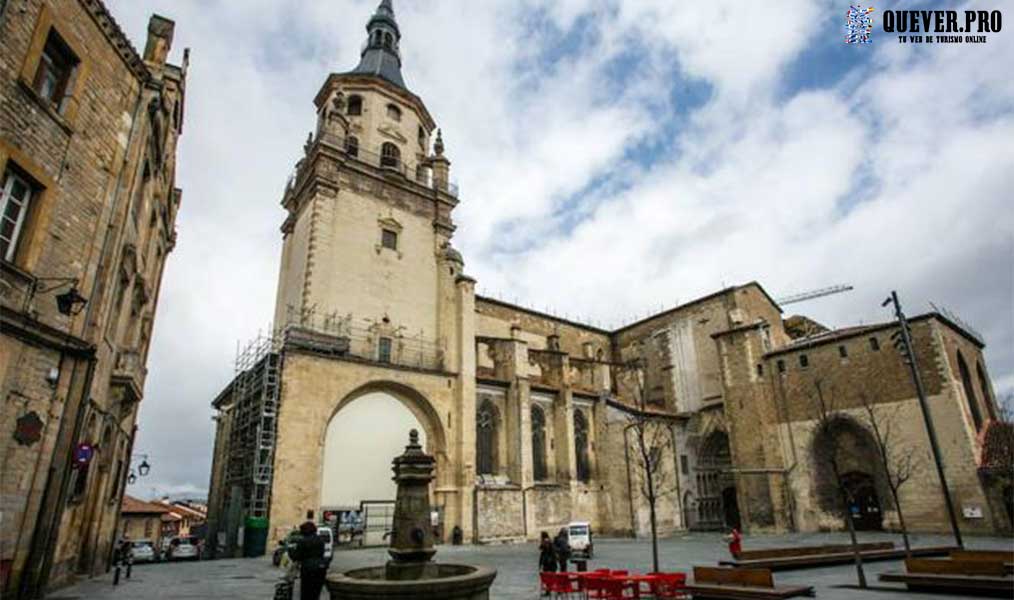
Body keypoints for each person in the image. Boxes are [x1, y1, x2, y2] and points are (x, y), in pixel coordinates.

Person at [288, 521, 328, 600]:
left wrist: (290, 550)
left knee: (306, 592)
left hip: (308, 568)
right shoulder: (320, 540)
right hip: (321, 568)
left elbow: (297, 556)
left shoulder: (303, 541)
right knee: (316, 591)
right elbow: (322, 553)